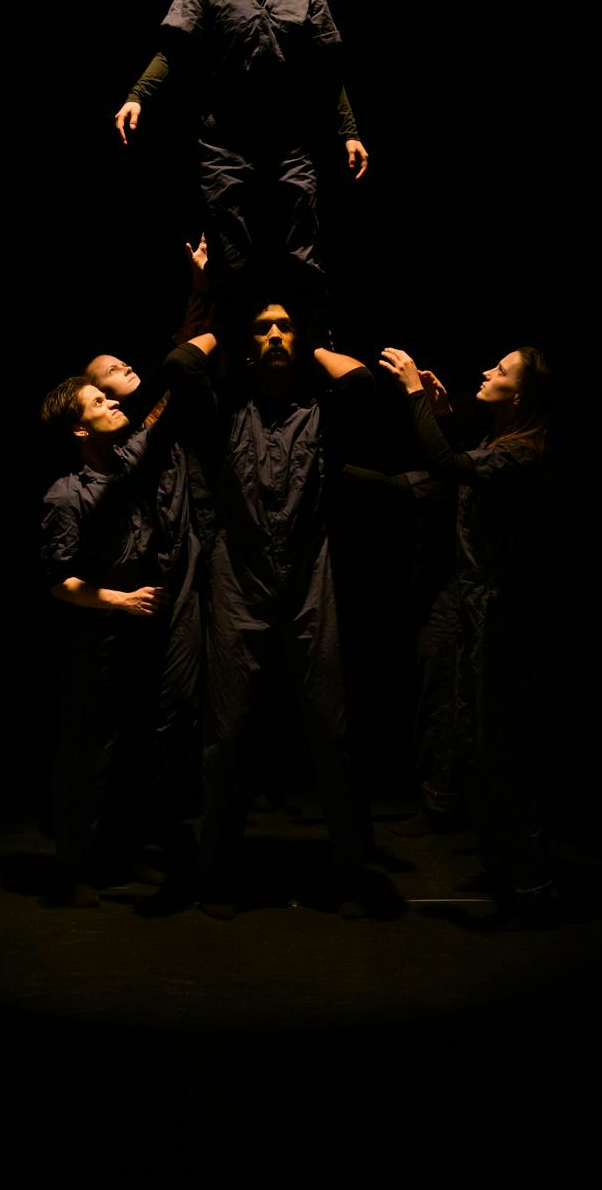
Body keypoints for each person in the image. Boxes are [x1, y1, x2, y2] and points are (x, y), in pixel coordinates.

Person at [166, 297, 391, 920]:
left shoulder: (321, 412)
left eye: (283, 328)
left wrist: (310, 342)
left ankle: (350, 871)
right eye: (263, 328)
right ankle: (216, 872)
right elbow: (180, 368)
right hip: (237, 581)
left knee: (332, 731)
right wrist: (222, 330)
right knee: (227, 734)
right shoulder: (225, 412)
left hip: (309, 581)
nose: (273, 336)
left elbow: (362, 383)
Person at [113, 0, 368, 338]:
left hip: (290, 145)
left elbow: (327, 74)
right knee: (233, 256)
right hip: (225, 143)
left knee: (301, 251)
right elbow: (173, 52)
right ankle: (232, 353)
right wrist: (137, 96)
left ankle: (314, 347)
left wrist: (349, 132)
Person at [377, 343, 556, 923]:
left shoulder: (525, 451)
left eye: (500, 370)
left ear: (520, 393)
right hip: (477, 598)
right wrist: (443, 414)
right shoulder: (502, 441)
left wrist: (414, 395)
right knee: (471, 728)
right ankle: (508, 870)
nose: (486, 371)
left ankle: (531, 883)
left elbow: (453, 468)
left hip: (502, 607)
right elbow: (464, 463)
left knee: (500, 744)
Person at [39, 333, 214, 907]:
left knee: (132, 748)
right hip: (95, 637)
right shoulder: (66, 496)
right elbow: (59, 582)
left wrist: (197, 324)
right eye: (99, 401)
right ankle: (72, 867)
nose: (113, 403)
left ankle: (117, 853)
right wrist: (120, 600)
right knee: (89, 753)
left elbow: (162, 408)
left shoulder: (131, 461)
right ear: (79, 430)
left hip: (136, 630)